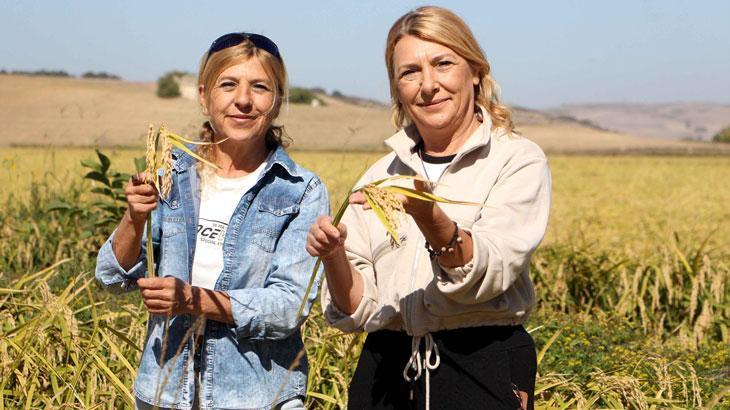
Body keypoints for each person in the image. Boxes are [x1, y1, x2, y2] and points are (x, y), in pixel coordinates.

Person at [306, 6, 551, 410]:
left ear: (475, 71)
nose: (428, 85)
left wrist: (428, 214)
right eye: (409, 72)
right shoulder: (380, 176)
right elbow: (357, 309)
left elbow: (488, 272)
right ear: (396, 87)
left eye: (443, 64)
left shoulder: (516, 160)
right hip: (385, 367)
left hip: (480, 362)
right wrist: (334, 257)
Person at [96, 32, 328, 409]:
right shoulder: (170, 173)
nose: (243, 100)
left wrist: (194, 300)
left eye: (260, 87)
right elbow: (110, 277)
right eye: (228, 85)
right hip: (165, 394)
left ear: (277, 102)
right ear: (204, 97)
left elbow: (288, 307)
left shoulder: (301, 191)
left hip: (256, 397)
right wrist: (135, 218)